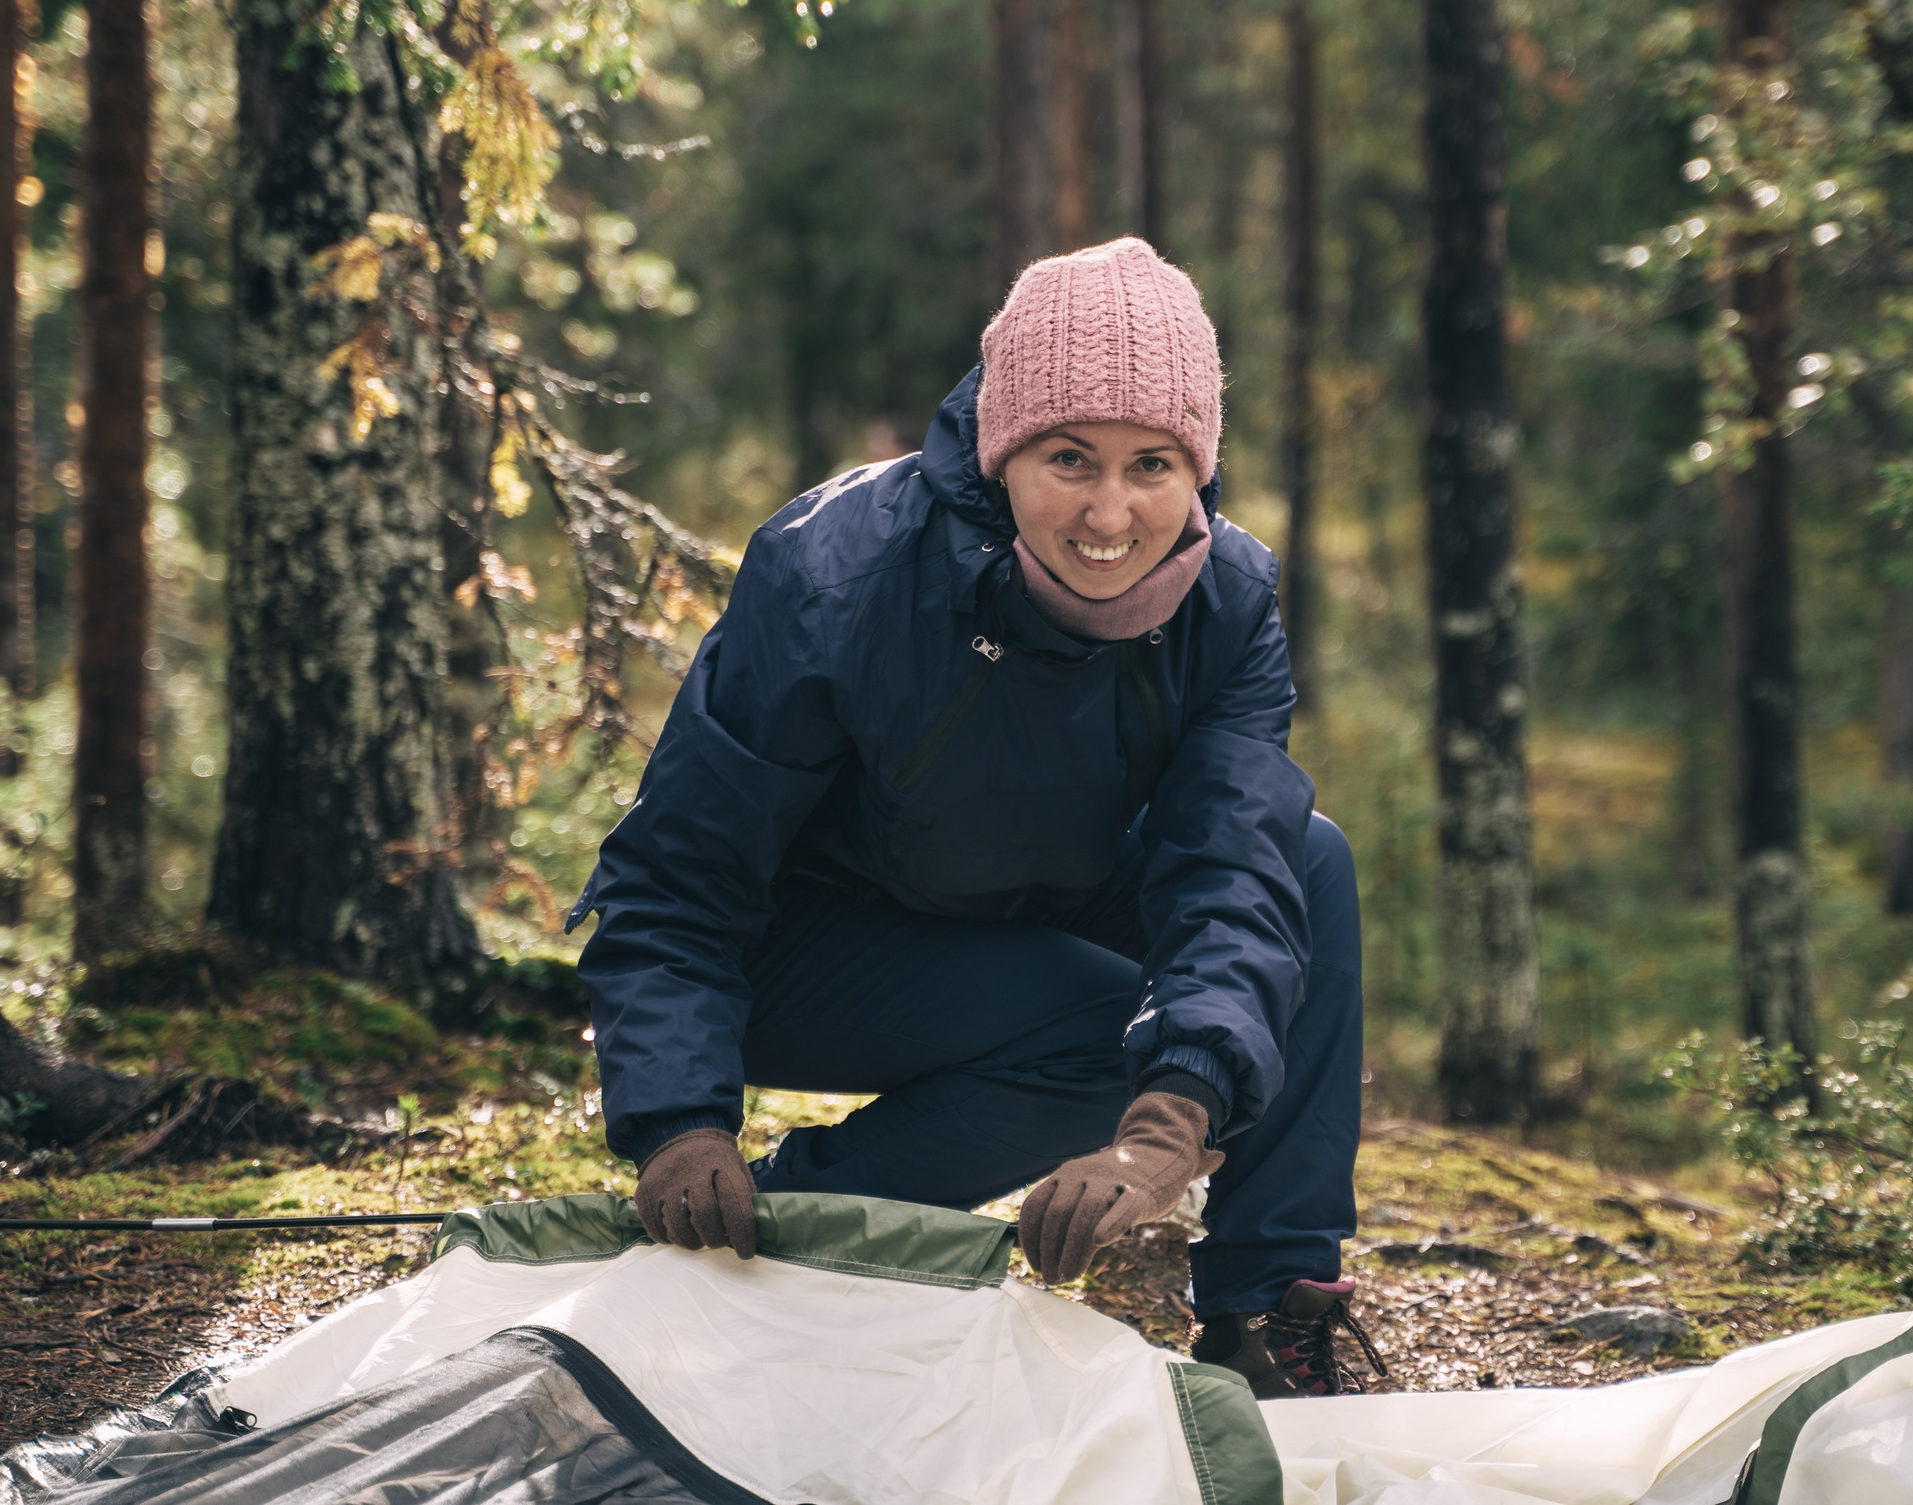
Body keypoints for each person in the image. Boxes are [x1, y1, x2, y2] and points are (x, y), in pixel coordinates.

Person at [570, 237, 1381, 1398]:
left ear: (1196, 467)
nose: (1111, 512)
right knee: (1099, 1029)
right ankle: (785, 1220)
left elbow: (1231, 871)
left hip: (1039, 895)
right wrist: (677, 1123)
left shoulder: (1230, 598)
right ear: (1001, 450)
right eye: (1069, 458)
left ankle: (1267, 1307)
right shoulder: (834, 575)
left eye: (1152, 464)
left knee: (1306, 861)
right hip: (812, 941)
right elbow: (676, 878)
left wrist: (1171, 1118)